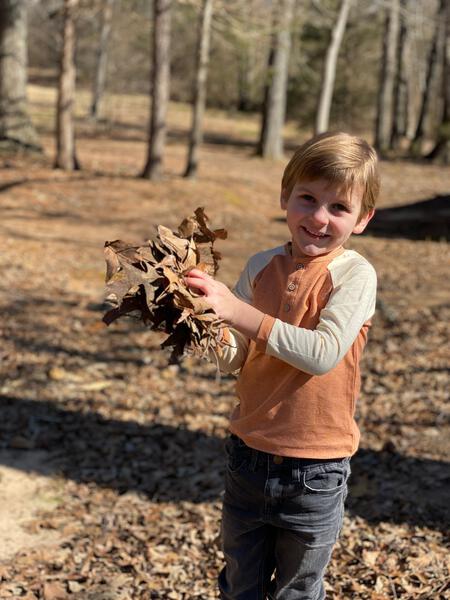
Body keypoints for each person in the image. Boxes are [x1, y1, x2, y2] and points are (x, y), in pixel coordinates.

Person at [185, 131, 379, 600]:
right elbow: (236, 358)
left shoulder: (355, 275)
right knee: (240, 585)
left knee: (297, 591)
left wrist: (238, 312)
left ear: (363, 219)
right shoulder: (260, 266)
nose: (318, 217)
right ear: (284, 197)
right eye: (307, 199)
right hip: (248, 455)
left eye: (338, 208)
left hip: (316, 469)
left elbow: (323, 352)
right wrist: (201, 323)